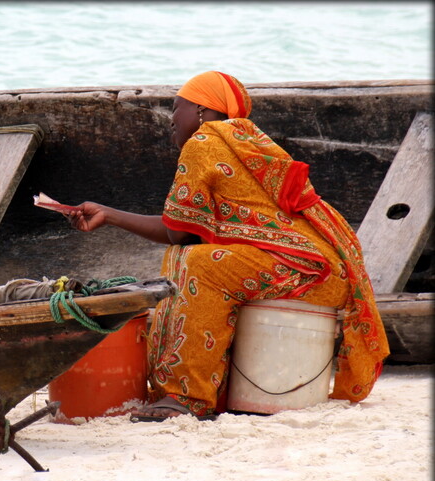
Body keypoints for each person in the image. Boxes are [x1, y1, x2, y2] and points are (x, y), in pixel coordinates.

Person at [66, 71, 389, 420]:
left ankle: (187, 396)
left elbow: (180, 234)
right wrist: (108, 215)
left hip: (309, 270)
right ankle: (202, 387)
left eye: (177, 107)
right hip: (327, 268)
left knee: (197, 264)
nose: (171, 120)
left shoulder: (203, 142)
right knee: (192, 258)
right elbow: (186, 229)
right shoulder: (245, 138)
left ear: (202, 110)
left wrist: (110, 214)